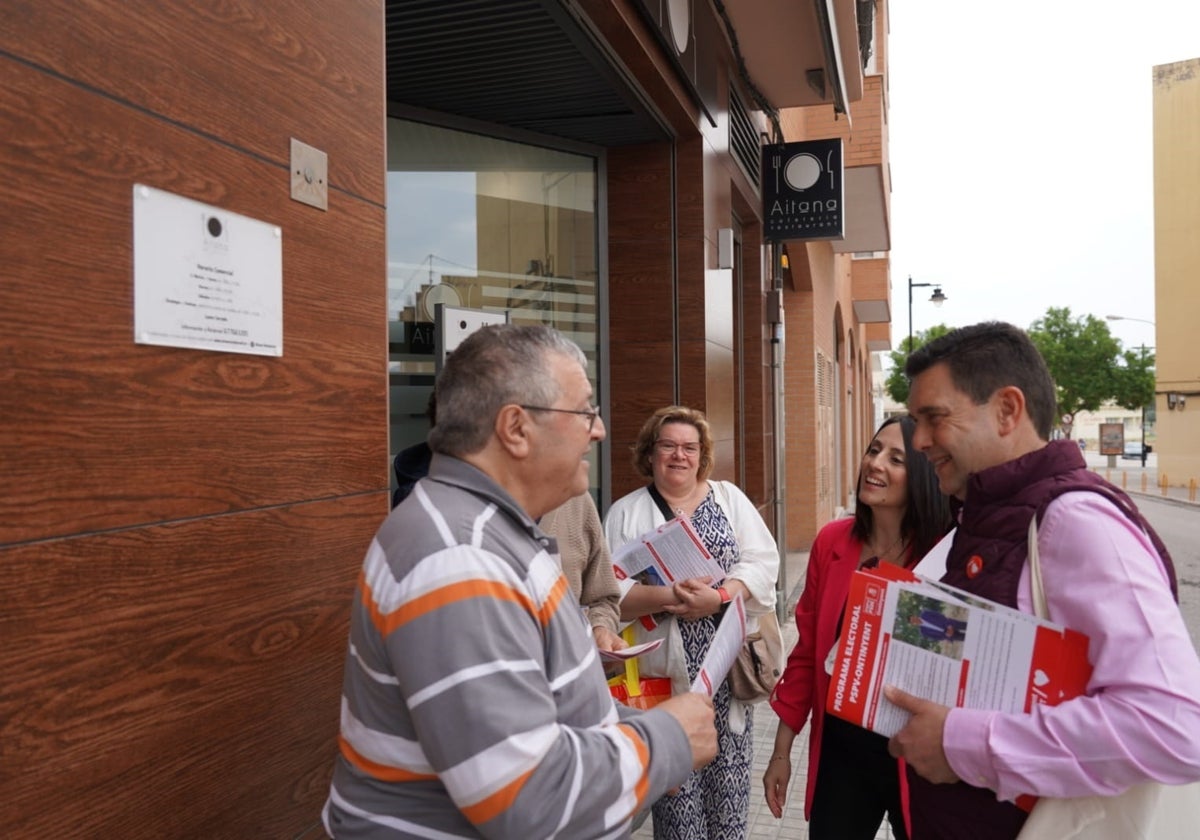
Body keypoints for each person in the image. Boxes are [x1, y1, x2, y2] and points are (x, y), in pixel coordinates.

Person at [322, 325, 717, 838]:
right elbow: (528, 798)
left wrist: (628, 727)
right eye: (584, 411)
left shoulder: (488, 529)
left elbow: (543, 705)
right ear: (515, 428)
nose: (597, 430)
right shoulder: (460, 559)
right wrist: (666, 739)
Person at [886, 321, 1200, 839]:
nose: (919, 440)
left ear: (1008, 410)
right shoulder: (982, 513)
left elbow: (1172, 725)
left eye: (934, 418)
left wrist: (962, 744)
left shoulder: (1074, 523)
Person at [763, 416, 952, 840]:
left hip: (920, 756)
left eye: (896, 458)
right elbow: (807, 653)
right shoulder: (832, 542)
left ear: (921, 475)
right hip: (843, 750)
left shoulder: (945, 555)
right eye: (873, 450)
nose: (875, 464)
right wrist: (780, 751)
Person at [604, 405, 779, 840]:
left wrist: (718, 597)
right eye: (668, 446)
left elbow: (763, 562)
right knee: (677, 810)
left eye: (689, 447)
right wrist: (669, 598)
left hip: (725, 677)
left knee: (729, 804)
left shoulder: (728, 498)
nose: (679, 455)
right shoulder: (626, 513)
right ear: (650, 453)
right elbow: (607, 594)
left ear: (702, 454)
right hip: (664, 683)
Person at [539, 491, 626, 652]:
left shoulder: (576, 499)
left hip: (566, 668)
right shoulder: (479, 499)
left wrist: (600, 628)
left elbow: (603, 600)